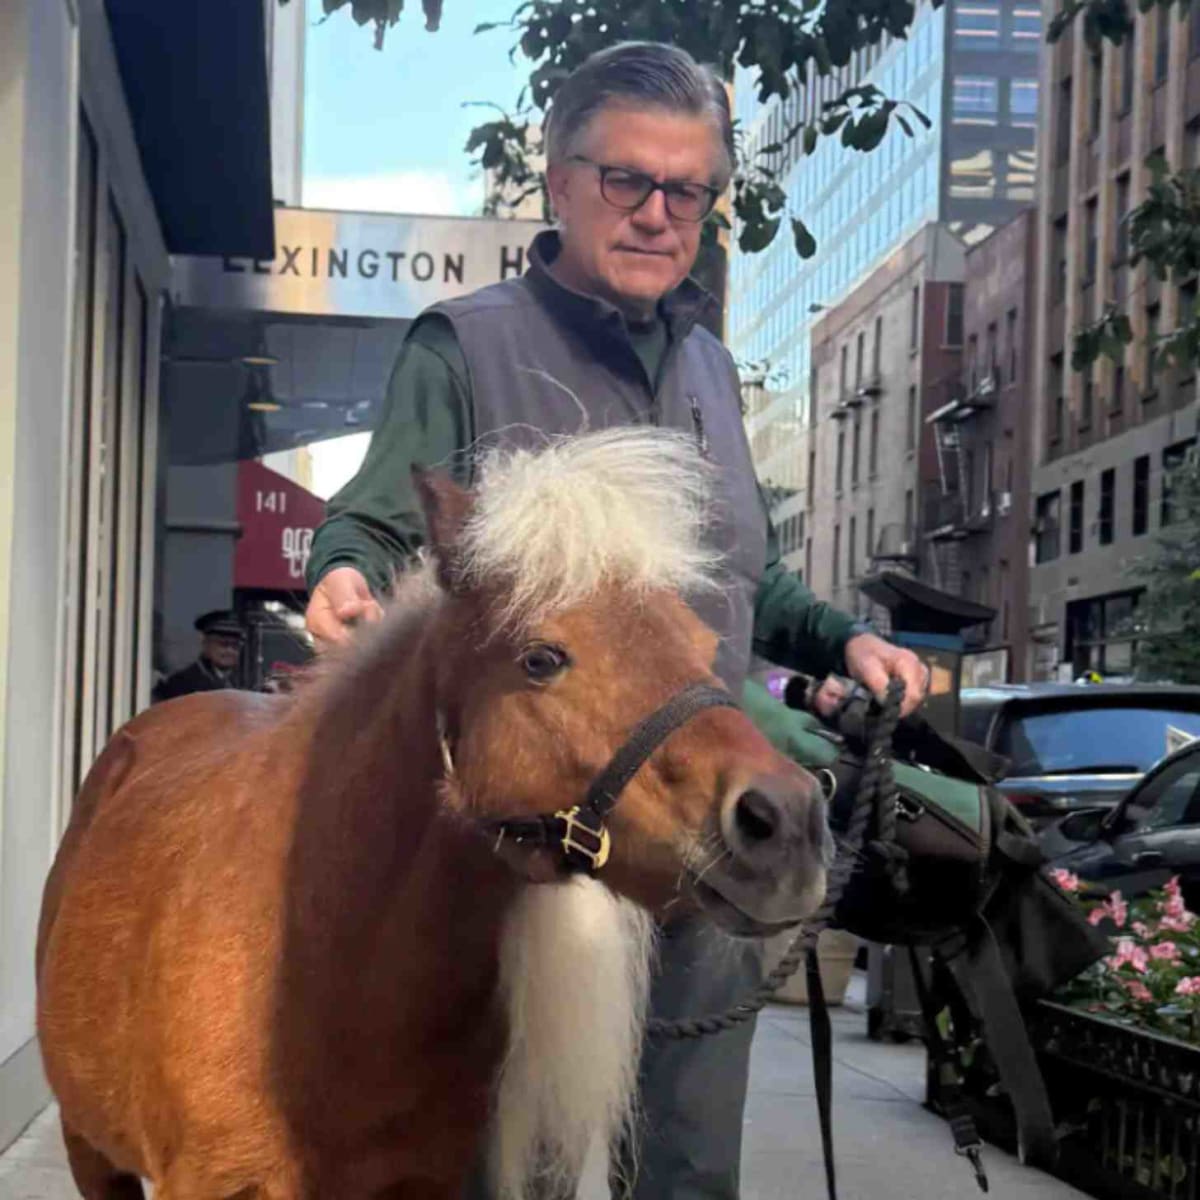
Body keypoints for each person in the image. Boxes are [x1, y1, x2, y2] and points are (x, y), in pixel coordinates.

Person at [305, 41, 929, 1200]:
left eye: (686, 190)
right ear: (558, 178)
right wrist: (346, 570)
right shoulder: (466, 343)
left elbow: (752, 580)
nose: (656, 213)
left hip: (705, 825)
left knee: (690, 1166)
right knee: (517, 1169)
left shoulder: (709, 369)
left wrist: (845, 638)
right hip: (546, 852)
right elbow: (384, 513)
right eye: (625, 181)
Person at [152, 610, 245, 703]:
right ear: (205, 642)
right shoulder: (180, 684)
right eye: (223, 644)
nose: (229, 651)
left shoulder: (241, 682)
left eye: (235, 645)